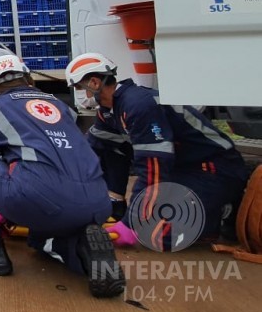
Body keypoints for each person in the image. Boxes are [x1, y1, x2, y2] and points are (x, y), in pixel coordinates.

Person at [0, 55, 125, 298]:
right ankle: (83, 251)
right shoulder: (62, 107)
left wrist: (2, 211)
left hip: (40, 199)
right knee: (38, 241)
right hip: (97, 204)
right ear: (29, 79)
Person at [64, 52, 249, 249]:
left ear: (94, 83)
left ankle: (224, 209)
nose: (82, 94)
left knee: (159, 235)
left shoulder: (138, 105)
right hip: (182, 169)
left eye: (79, 87)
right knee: (111, 149)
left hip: (215, 168)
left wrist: (132, 223)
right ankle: (117, 206)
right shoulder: (110, 111)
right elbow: (91, 149)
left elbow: (154, 166)